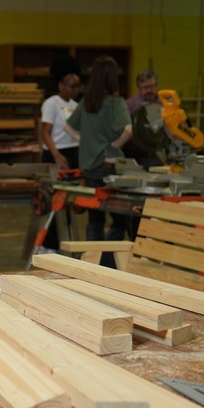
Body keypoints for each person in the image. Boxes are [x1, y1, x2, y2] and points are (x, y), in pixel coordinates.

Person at [66, 55, 132, 267]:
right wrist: (115, 146)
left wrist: (85, 142)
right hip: (109, 166)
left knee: (95, 217)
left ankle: (92, 261)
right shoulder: (116, 103)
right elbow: (129, 130)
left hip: (90, 167)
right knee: (119, 218)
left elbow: (68, 127)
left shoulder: (87, 102)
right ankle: (108, 261)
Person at [38, 55, 81, 252]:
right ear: (61, 84)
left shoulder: (76, 105)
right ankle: (49, 245)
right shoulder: (51, 103)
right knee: (55, 202)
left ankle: (61, 242)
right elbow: (45, 132)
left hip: (72, 153)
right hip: (56, 154)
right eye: (70, 85)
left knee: (69, 202)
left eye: (77, 86)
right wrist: (56, 155)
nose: (73, 90)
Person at [123, 69, 164, 170]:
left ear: (157, 86)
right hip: (134, 152)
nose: (149, 90)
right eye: (145, 87)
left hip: (157, 151)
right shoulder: (130, 105)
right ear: (138, 88)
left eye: (152, 86)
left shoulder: (165, 104)